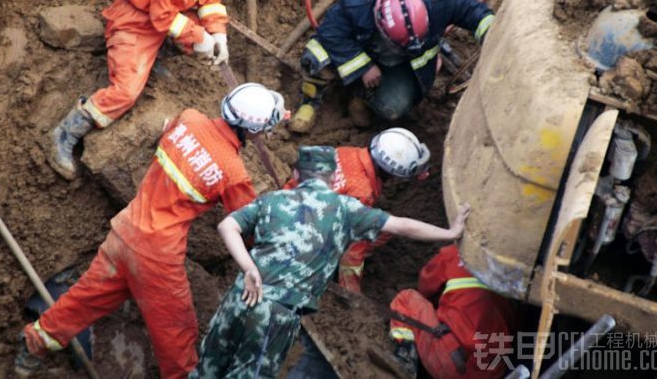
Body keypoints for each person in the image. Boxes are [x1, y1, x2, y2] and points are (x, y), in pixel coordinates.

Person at [16, 83, 288, 379]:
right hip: (157, 258)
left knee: (83, 300)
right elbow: (248, 226)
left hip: (125, 232)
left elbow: (170, 136)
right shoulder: (233, 173)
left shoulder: (190, 118)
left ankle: (33, 345)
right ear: (253, 130)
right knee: (177, 335)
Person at [197, 145, 469, 378]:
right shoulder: (346, 209)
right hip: (276, 313)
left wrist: (249, 268)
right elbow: (401, 226)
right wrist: (450, 232)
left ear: (295, 175)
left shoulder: (273, 199)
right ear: (334, 176)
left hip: (239, 297)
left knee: (206, 369)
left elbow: (226, 225)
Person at [48, 0, 275, 180]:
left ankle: (155, 57)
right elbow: (160, 15)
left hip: (158, 12)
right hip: (135, 18)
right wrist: (198, 37)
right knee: (126, 92)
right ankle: (64, 134)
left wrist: (218, 34)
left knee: (198, 35)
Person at [288, 0, 495, 133]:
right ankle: (310, 100)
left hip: (402, 66)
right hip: (364, 50)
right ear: (379, 22)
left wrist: (493, 33)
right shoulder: (355, 4)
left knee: (393, 107)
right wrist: (364, 67)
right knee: (317, 54)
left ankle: (363, 97)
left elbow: (471, 10)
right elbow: (331, 34)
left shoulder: (437, 2)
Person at [284, 127, 431, 292]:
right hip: (300, 238)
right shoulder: (362, 191)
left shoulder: (348, 153)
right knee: (373, 234)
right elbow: (353, 236)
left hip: (288, 205)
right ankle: (348, 289)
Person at [389, 244, 515, 379]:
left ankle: (405, 361)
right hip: (494, 370)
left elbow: (425, 286)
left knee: (406, 299)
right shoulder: (511, 270)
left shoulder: (455, 254)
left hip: (453, 364)